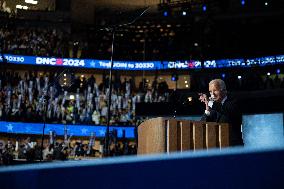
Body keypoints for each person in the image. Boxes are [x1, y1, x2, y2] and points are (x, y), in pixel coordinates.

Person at [199, 79, 243, 146]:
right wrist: (207, 110)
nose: (212, 94)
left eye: (215, 90)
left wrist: (210, 103)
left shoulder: (234, 102)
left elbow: (226, 110)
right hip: (217, 147)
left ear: (224, 91)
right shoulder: (213, 106)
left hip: (233, 147)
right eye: (210, 92)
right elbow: (202, 125)